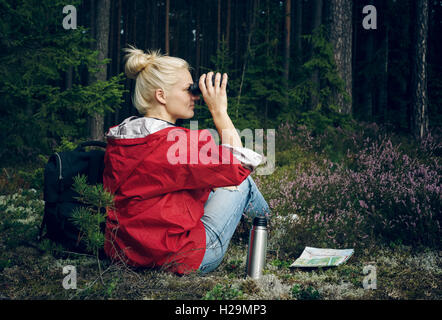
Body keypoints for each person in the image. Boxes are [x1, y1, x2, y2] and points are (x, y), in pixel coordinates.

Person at [102, 46, 270, 275]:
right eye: (188, 89)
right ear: (161, 95)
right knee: (243, 184)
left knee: (215, 184)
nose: (195, 96)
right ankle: (270, 225)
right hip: (180, 257)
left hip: (127, 254)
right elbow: (238, 165)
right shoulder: (176, 143)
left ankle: (264, 224)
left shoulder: (120, 139)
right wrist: (220, 111)